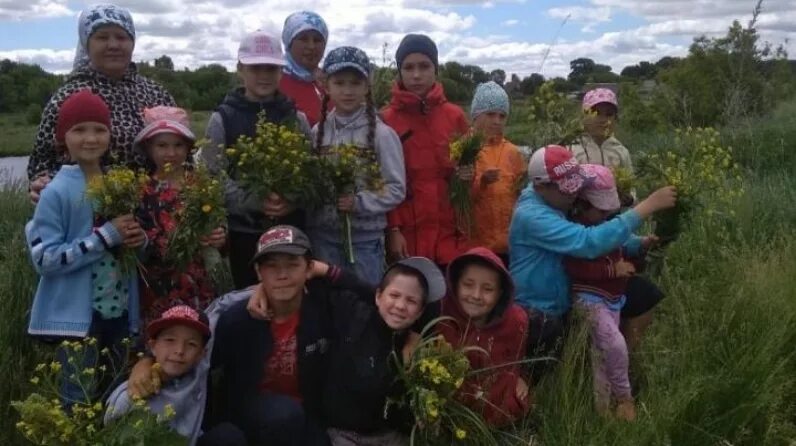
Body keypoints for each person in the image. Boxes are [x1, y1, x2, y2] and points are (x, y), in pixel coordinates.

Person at [508, 145, 677, 378]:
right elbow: (587, 243)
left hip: (566, 298)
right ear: (540, 185)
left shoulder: (556, 201)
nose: (574, 193)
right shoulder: (532, 216)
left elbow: (592, 228)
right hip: (539, 309)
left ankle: (623, 370)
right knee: (542, 373)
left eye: (576, 186)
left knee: (641, 295)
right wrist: (646, 208)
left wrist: (638, 243)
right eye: (567, 189)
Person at [24, 90, 146, 406]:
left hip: (118, 310)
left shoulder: (117, 183)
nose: (90, 138)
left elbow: (128, 246)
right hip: (79, 318)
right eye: (79, 130)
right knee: (77, 394)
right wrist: (105, 237)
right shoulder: (56, 192)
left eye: (98, 129)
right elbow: (45, 259)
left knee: (116, 391)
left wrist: (137, 240)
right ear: (62, 137)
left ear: (109, 133)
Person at [28, 4, 175, 203]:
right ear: (87, 43)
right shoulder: (66, 96)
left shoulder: (156, 93)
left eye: (122, 37)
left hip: (159, 212)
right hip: (87, 215)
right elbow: (41, 162)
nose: (113, 45)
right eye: (102, 37)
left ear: (132, 42)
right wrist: (40, 184)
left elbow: (183, 151)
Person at [200, 29, 311, 289]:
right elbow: (211, 175)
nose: (264, 75)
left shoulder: (297, 118)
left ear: (281, 72)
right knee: (249, 300)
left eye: (271, 68)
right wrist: (254, 201)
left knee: (292, 298)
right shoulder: (222, 118)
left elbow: (310, 171)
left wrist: (291, 198)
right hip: (244, 233)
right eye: (255, 67)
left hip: (291, 230)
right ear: (241, 69)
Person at [568, 87, 664, 352]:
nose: (604, 119)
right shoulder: (571, 147)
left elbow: (632, 190)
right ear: (584, 114)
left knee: (629, 294)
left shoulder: (620, 151)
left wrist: (626, 199)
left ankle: (624, 358)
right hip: (582, 231)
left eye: (610, 114)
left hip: (614, 230)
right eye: (597, 112)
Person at [563, 165, 657, 421]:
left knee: (602, 356)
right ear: (581, 204)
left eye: (608, 209)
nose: (605, 213)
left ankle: (602, 412)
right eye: (600, 209)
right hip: (590, 298)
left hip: (612, 300)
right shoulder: (574, 232)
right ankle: (625, 399)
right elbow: (574, 265)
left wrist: (640, 244)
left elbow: (622, 240)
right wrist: (611, 271)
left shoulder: (605, 223)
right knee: (615, 344)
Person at [309, 46, 406, 285]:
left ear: (367, 85)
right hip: (322, 238)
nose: (347, 90)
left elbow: (395, 189)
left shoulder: (382, 135)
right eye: (340, 83)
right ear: (326, 86)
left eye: (355, 83)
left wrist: (359, 202)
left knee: (363, 304)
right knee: (328, 305)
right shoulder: (316, 132)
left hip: (364, 242)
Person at [132, 106, 226, 325]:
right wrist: (182, 241)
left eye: (178, 145)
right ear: (149, 148)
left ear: (188, 148)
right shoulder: (141, 190)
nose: (171, 153)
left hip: (200, 284)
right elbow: (140, 243)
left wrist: (219, 237)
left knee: (201, 337)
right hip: (159, 286)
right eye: (162, 145)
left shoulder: (201, 185)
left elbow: (219, 224)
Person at [382, 34, 470, 267]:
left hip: (449, 230)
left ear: (436, 69)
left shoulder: (455, 116)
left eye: (424, 66)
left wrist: (469, 175)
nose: (417, 75)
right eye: (408, 67)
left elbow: (469, 170)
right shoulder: (386, 120)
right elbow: (382, 181)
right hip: (406, 233)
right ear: (400, 71)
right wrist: (393, 229)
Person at [105, 305, 248, 446]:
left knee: (228, 435)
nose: (180, 350)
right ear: (153, 346)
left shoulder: (198, 370)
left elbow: (223, 305)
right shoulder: (133, 394)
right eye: (170, 340)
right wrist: (143, 363)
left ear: (201, 354)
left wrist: (259, 290)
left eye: (191, 344)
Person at [435, 247, 530, 426]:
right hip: (451, 420)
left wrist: (520, 377)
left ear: (501, 293)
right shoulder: (440, 318)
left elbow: (517, 361)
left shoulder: (516, 321)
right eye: (468, 285)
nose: (476, 295)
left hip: (501, 421)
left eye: (488, 289)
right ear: (455, 284)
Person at [468, 82, 526, 266]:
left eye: (502, 116)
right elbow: (457, 201)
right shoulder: (464, 149)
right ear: (476, 116)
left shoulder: (513, 152)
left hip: (510, 245)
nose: (497, 121)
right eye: (490, 114)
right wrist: (481, 182)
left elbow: (522, 196)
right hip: (477, 244)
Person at [280, 11, 331, 127]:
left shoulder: (331, 83)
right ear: (289, 43)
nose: (311, 46)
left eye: (317, 40)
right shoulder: (274, 83)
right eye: (303, 39)